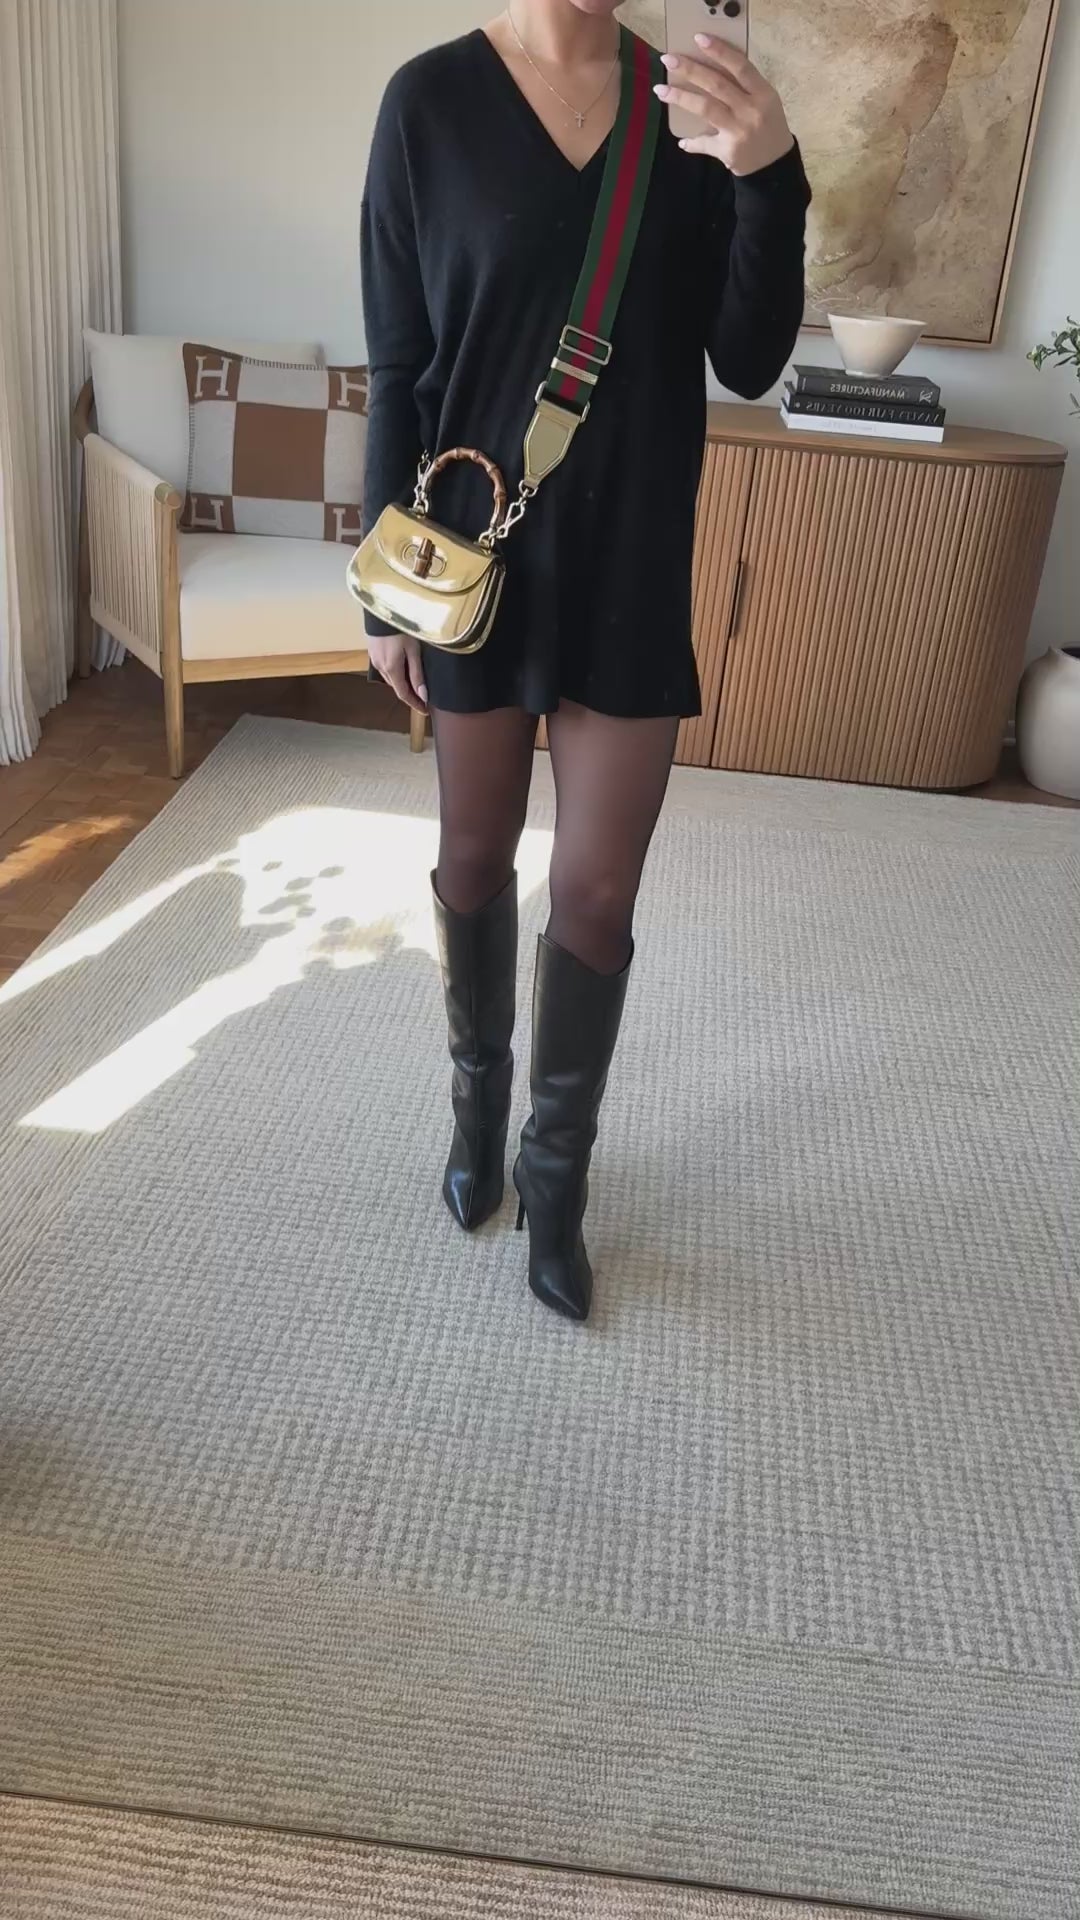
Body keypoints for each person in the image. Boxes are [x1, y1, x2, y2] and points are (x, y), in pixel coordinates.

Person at [360, 0, 810, 1322]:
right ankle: (478, 1107)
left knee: (598, 893)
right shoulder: (428, 103)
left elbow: (749, 358)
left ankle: (555, 1176)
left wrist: (769, 171)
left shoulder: (689, 106)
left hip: (629, 558)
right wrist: (386, 590)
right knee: (470, 858)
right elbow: (401, 360)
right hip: (474, 551)